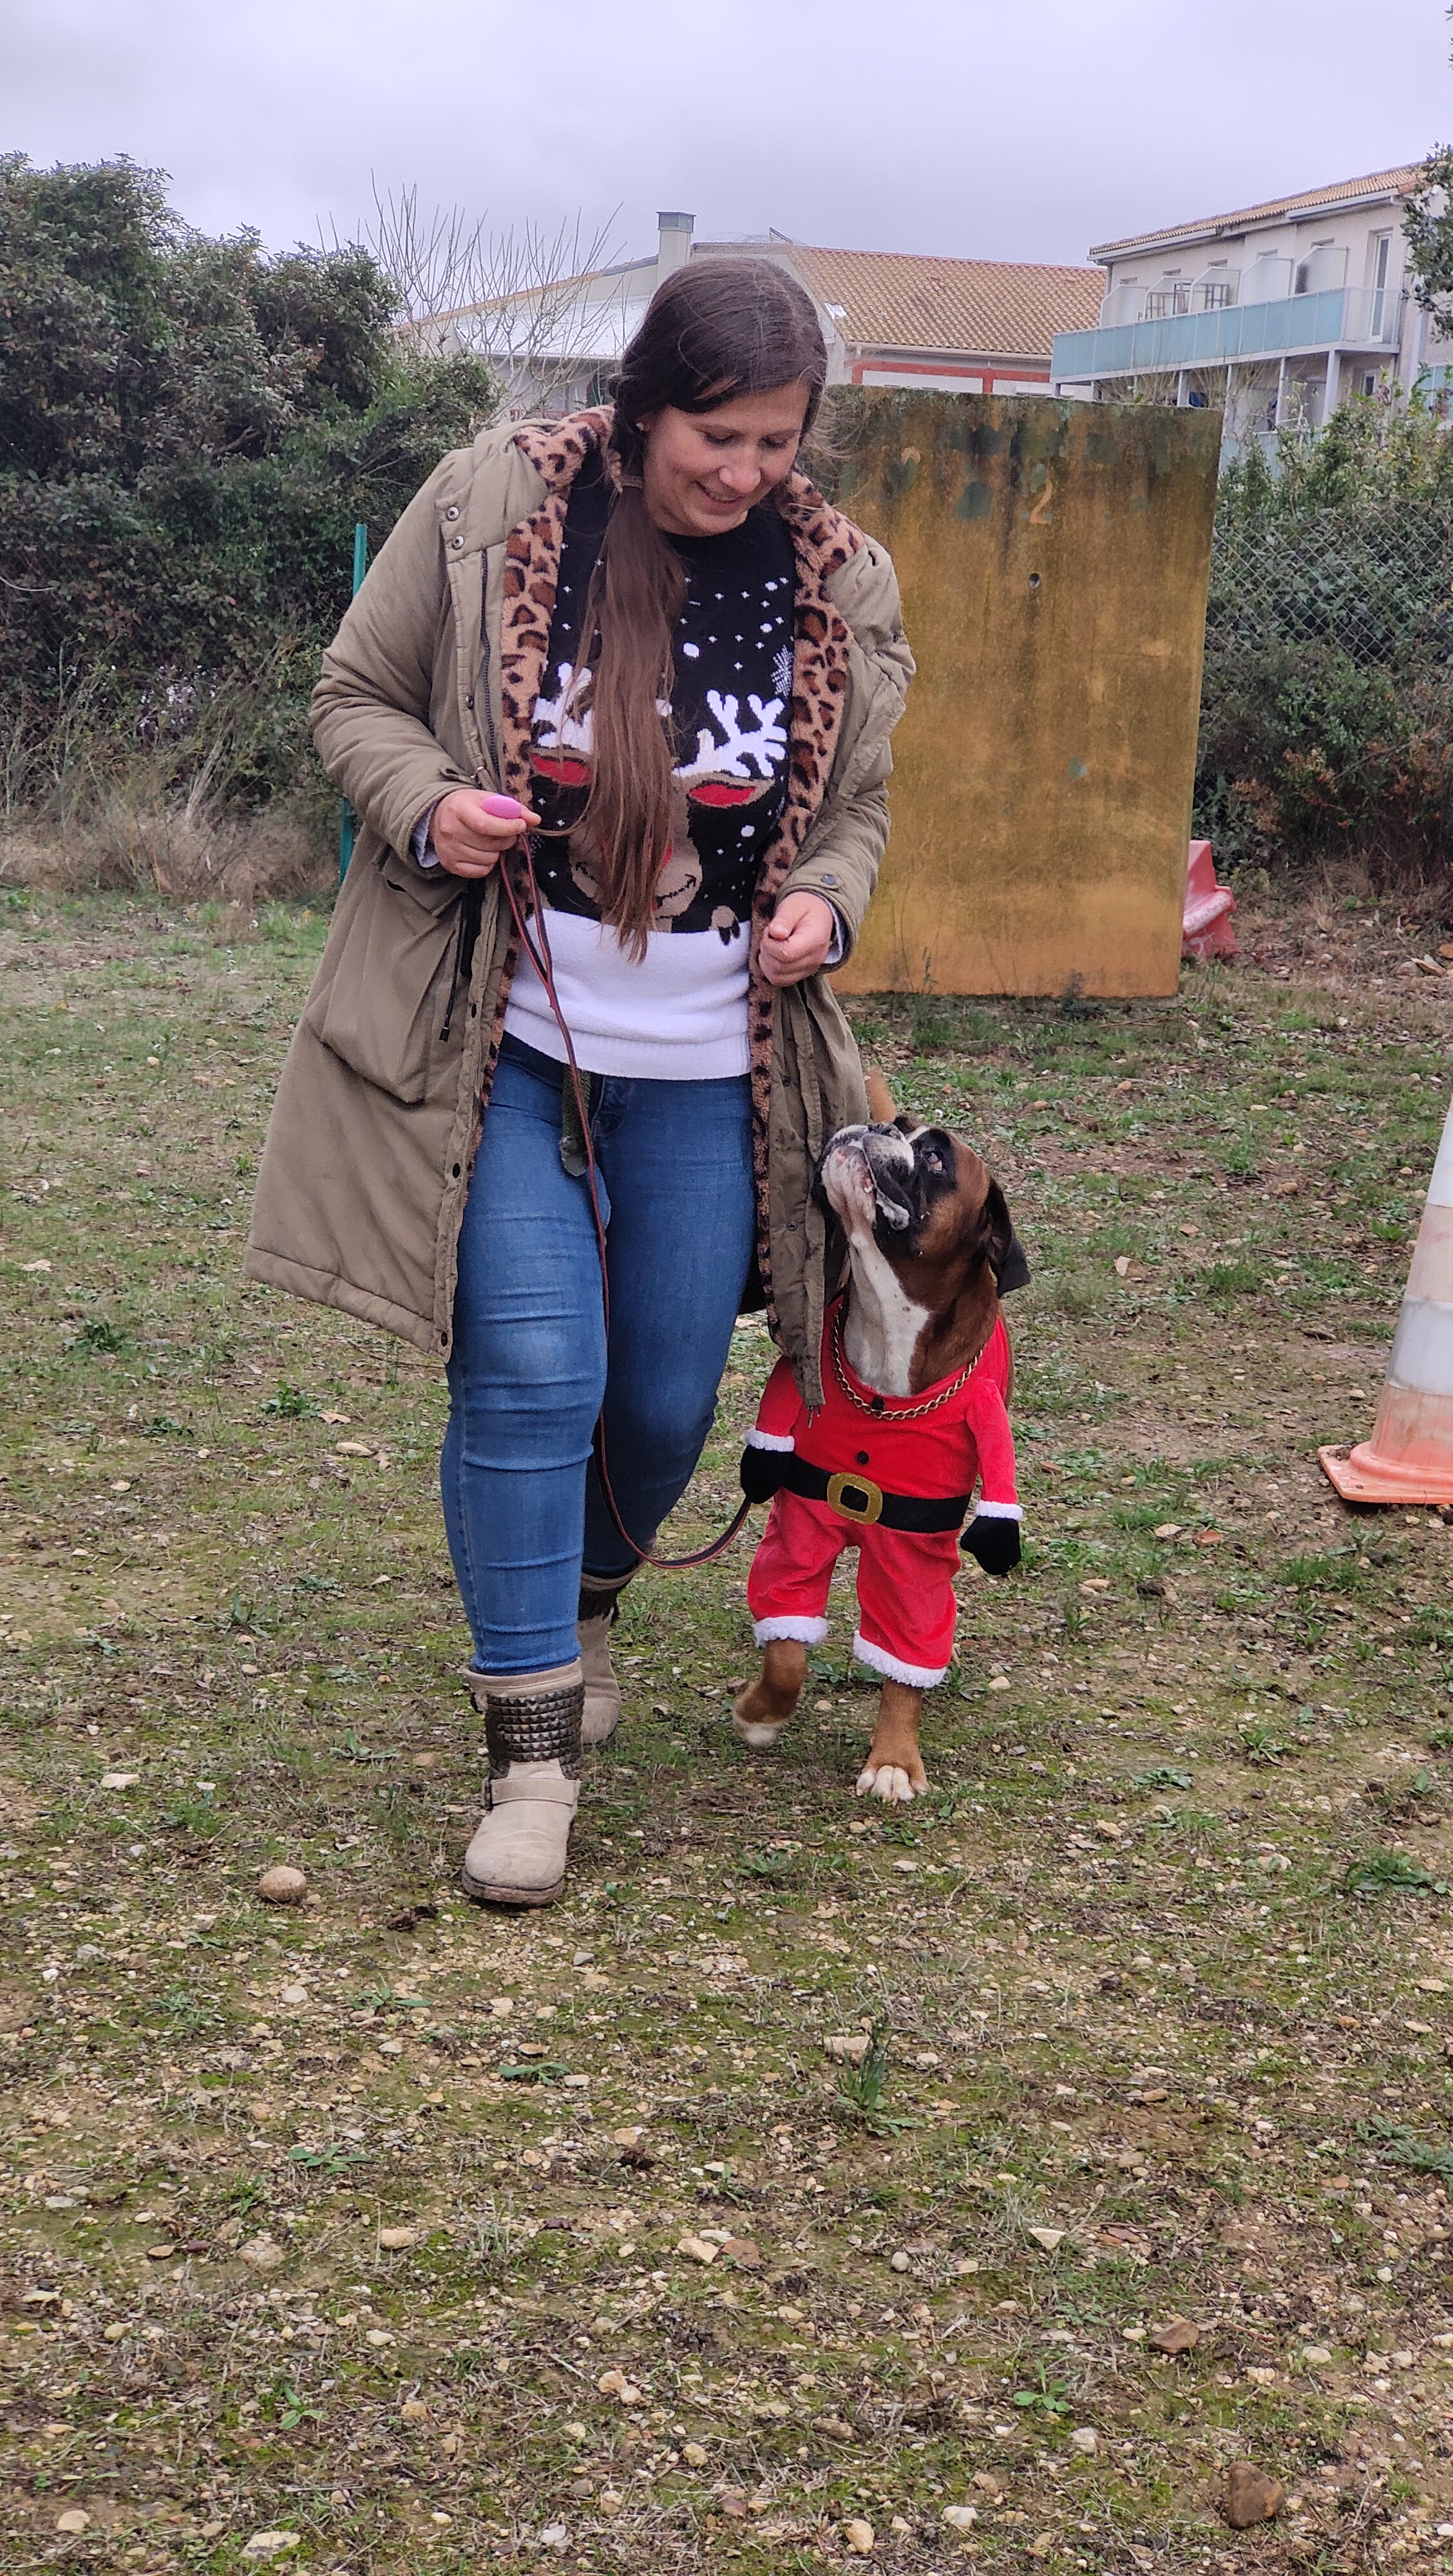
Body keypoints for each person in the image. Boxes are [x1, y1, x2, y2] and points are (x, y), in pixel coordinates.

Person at [245, 256, 914, 1908]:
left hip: (711, 1069)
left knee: (666, 1399)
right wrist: (429, 805)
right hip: (503, 1035)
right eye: (716, 436)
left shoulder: (841, 580)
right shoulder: (493, 507)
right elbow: (354, 697)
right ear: (643, 404)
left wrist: (830, 901)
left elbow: (858, 809)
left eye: (776, 441)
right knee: (535, 1376)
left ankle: (590, 1598)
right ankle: (530, 1751)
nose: (745, 472)